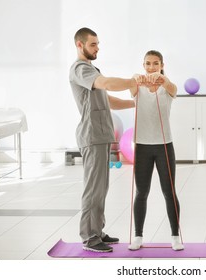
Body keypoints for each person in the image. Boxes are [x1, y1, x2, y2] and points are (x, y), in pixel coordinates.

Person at [69, 27, 137, 253]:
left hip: (101, 135)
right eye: (92, 44)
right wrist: (132, 82)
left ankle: (97, 231)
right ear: (80, 45)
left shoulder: (92, 70)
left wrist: (137, 103)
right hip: (92, 135)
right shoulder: (80, 69)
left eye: (98, 44)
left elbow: (108, 99)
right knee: (93, 189)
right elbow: (107, 83)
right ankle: (89, 238)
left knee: (101, 188)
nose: (97, 48)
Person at [128, 50, 184, 251]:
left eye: (155, 63)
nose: (151, 67)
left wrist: (161, 79)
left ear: (162, 65)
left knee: (169, 192)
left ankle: (176, 236)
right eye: (148, 64)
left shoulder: (168, 87)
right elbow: (131, 83)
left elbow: (170, 86)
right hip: (142, 146)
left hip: (164, 146)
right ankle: (138, 236)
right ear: (143, 65)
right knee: (141, 192)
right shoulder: (137, 86)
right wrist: (135, 78)